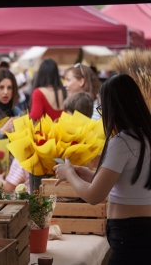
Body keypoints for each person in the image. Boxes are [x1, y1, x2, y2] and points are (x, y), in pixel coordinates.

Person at [53, 74, 151, 265]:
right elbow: (129, 182)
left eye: (103, 108)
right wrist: (90, 175)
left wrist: (69, 173)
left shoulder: (122, 142)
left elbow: (93, 196)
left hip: (128, 234)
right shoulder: (145, 138)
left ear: (114, 108)